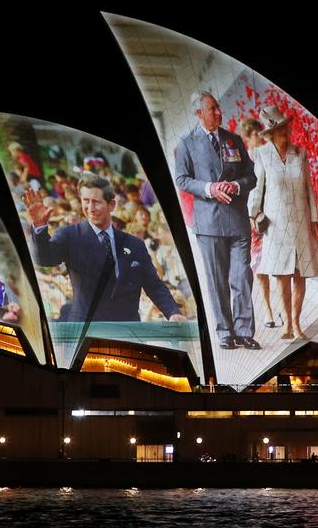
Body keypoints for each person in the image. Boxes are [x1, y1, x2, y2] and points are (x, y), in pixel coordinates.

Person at [23, 171, 186, 323]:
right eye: (85, 201)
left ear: (112, 205)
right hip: (87, 332)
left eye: (96, 202)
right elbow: (43, 258)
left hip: (129, 332)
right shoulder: (70, 235)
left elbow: (153, 284)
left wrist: (173, 312)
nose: (90, 208)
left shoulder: (134, 244)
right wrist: (39, 227)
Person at [174, 91, 259, 350]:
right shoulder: (187, 143)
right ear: (199, 113)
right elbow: (182, 179)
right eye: (212, 109)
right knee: (217, 279)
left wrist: (235, 184)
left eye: (218, 108)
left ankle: (244, 331)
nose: (219, 113)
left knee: (242, 276)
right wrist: (210, 188)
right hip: (209, 223)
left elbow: (251, 177)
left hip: (237, 220)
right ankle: (225, 332)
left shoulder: (233, 140)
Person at [247, 107, 318, 340]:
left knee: (300, 275)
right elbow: (257, 187)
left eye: (285, 126)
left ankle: (297, 323)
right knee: (282, 275)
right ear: (270, 132)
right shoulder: (262, 155)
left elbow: (309, 189)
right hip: (276, 224)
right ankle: (286, 326)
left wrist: (314, 218)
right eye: (279, 128)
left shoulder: (300, 153)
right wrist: (253, 214)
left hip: (301, 221)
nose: (285, 131)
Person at [237, 117, 277, 330]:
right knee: (260, 267)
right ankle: (268, 311)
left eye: (259, 133)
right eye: (254, 134)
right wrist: (251, 216)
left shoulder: (269, 157)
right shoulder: (244, 163)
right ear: (246, 137)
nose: (258, 137)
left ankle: (283, 310)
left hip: (273, 216)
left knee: (281, 264)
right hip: (254, 220)